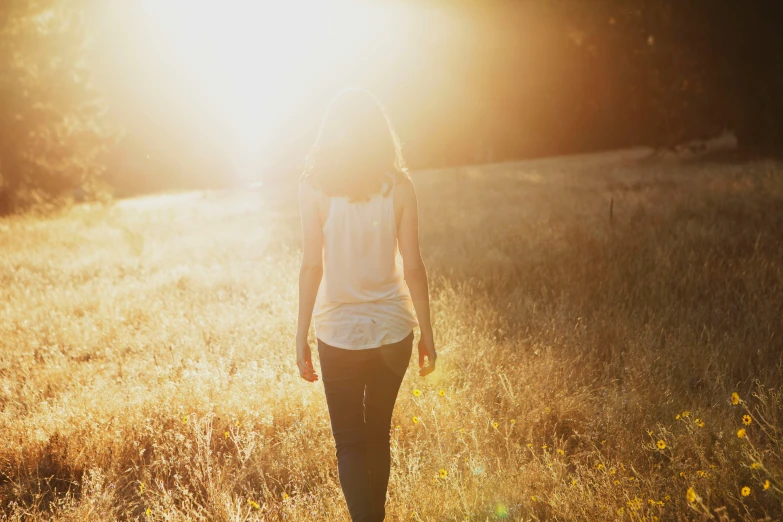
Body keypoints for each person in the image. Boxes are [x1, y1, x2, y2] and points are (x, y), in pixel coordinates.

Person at [295, 88, 437, 522]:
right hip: (393, 330)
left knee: (350, 443)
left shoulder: (314, 188)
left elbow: (310, 267)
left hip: (337, 333)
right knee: (377, 437)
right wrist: (428, 333)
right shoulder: (399, 186)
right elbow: (413, 266)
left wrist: (299, 335)